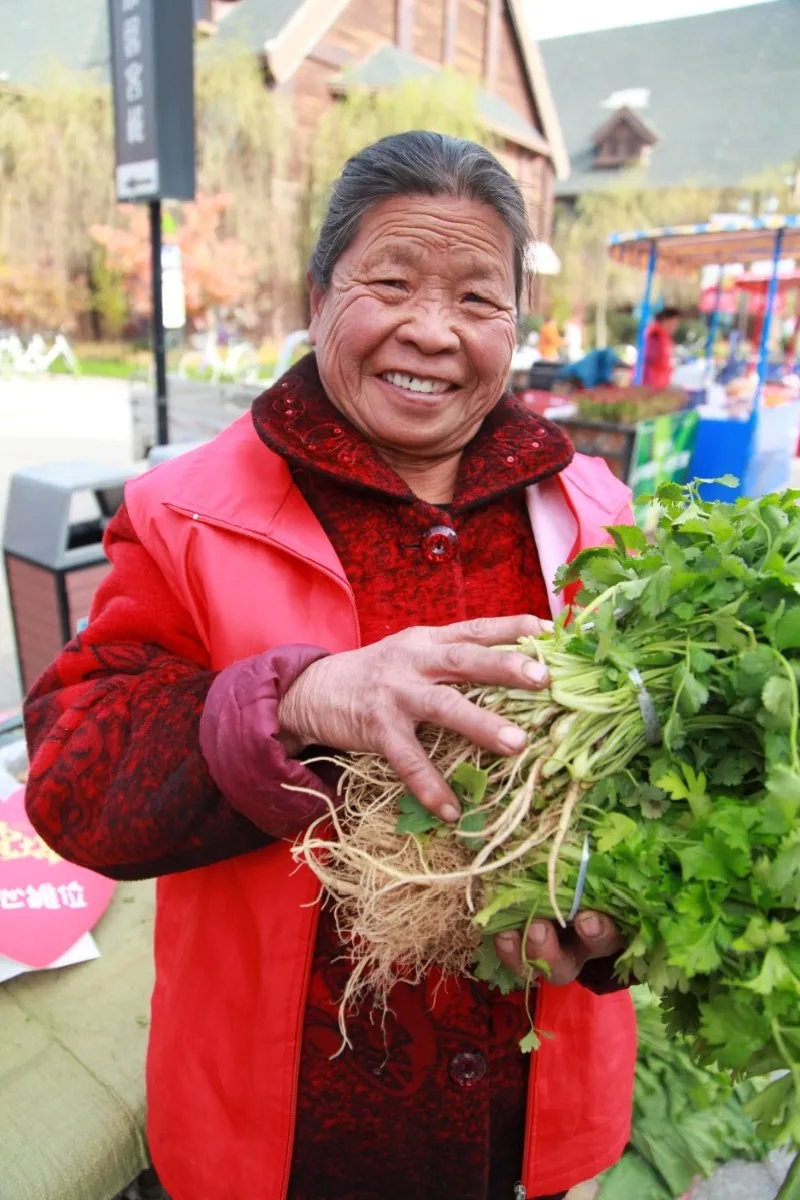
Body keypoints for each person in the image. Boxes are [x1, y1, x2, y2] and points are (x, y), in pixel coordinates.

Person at [23, 132, 636, 1200]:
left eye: (477, 299)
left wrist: (613, 923)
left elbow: (649, 796)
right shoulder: (188, 514)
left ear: (515, 327)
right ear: (318, 297)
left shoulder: (593, 516)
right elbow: (75, 781)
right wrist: (301, 700)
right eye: (390, 284)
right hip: (287, 1131)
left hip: (521, 1117)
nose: (432, 330)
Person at [642, 306, 681, 387]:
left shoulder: (662, 335)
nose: (676, 328)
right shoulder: (655, 335)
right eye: (675, 324)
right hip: (651, 384)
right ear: (665, 320)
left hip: (658, 383)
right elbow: (649, 360)